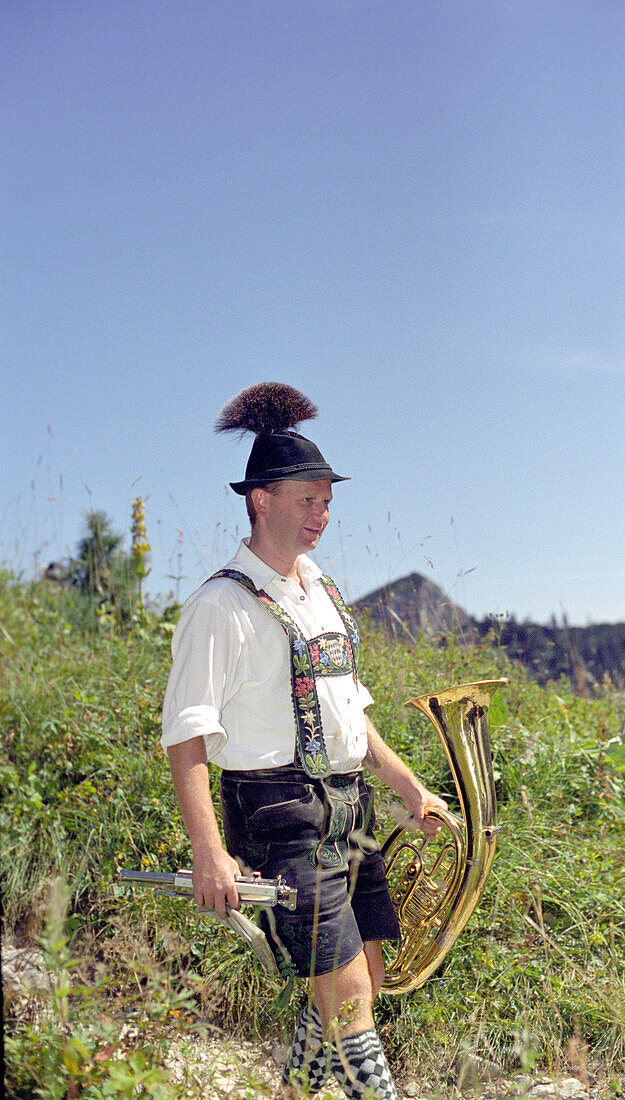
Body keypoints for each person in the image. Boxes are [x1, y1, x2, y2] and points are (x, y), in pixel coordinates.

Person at [161, 383, 447, 1100]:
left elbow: (350, 711)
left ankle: (293, 1091)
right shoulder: (219, 604)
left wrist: (406, 784)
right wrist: (209, 852)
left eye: (327, 500)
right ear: (261, 499)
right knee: (349, 999)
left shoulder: (322, 593)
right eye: (307, 498)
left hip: (349, 809)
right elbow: (187, 738)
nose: (322, 513)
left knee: (364, 983)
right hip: (277, 813)